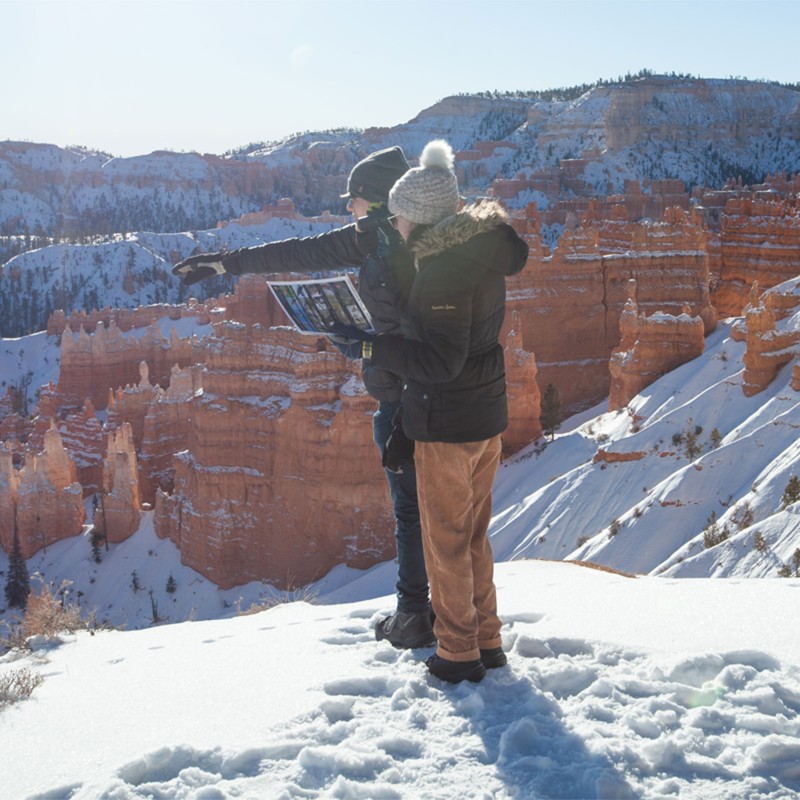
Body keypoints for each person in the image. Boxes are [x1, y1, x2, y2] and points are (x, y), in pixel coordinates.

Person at [172, 147, 435, 649]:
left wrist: (395, 396)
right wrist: (226, 263)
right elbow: (299, 252)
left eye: (354, 202)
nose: (348, 211)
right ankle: (432, 608)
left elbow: (426, 335)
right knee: (420, 507)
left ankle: (416, 614)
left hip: (415, 398)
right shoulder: (373, 239)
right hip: (397, 393)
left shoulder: (411, 248)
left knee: (413, 510)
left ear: (378, 202)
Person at [333, 140, 529, 683]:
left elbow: (440, 362)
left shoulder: (443, 269)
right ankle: (487, 641)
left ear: (418, 218)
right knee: (471, 538)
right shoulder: (477, 251)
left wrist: (371, 348)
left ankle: (459, 655)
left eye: (396, 216)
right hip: (483, 413)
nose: (391, 225)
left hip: (449, 420)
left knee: (444, 542)